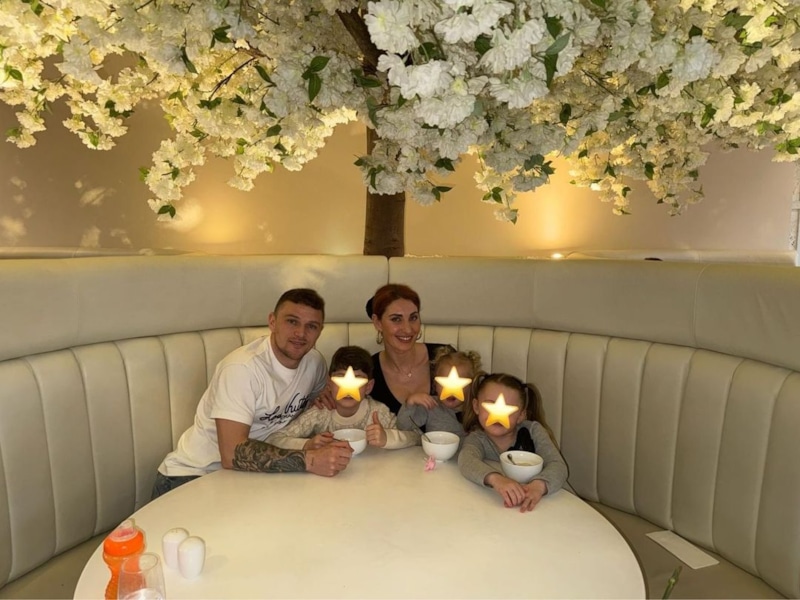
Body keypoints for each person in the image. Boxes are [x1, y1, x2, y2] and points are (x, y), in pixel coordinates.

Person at [152, 288, 353, 499]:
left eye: (311, 326)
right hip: (192, 475)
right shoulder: (242, 368)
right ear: (272, 322)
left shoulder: (314, 362)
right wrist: (310, 460)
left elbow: (316, 403)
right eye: (292, 321)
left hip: (249, 477)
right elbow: (231, 453)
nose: (301, 334)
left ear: (320, 331)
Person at [267, 345, 419, 450]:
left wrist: (388, 438)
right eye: (340, 377)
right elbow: (274, 439)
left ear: (368, 386)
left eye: (358, 378)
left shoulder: (378, 413)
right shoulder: (319, 413)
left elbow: (416, 437)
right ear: (329, 383)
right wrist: (307, 445)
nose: (348, 387)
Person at [458, 372, 568, 512]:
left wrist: (539, 486)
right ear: (476, 406)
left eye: (507, 409)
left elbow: (558, 465)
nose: (498, 414)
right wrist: (497, 480)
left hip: (552, 505)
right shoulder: (477, 438)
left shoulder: (533, 431)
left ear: (521, 415)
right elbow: (466, 460)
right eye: (490, 405)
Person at [366, 283, 454, 414]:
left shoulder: (444, 356)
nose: (408, 329)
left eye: (413, 318)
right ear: (378, 323)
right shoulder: (368, 371)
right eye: (396, 319)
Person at [397, 347, 481, 437]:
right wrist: (410, 402)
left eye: (457, 384)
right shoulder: (431, 405)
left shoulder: (475, 409)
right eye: (445, 384)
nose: (451, 389)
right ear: (435, 385)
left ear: (470, 387)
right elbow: (403, 426)